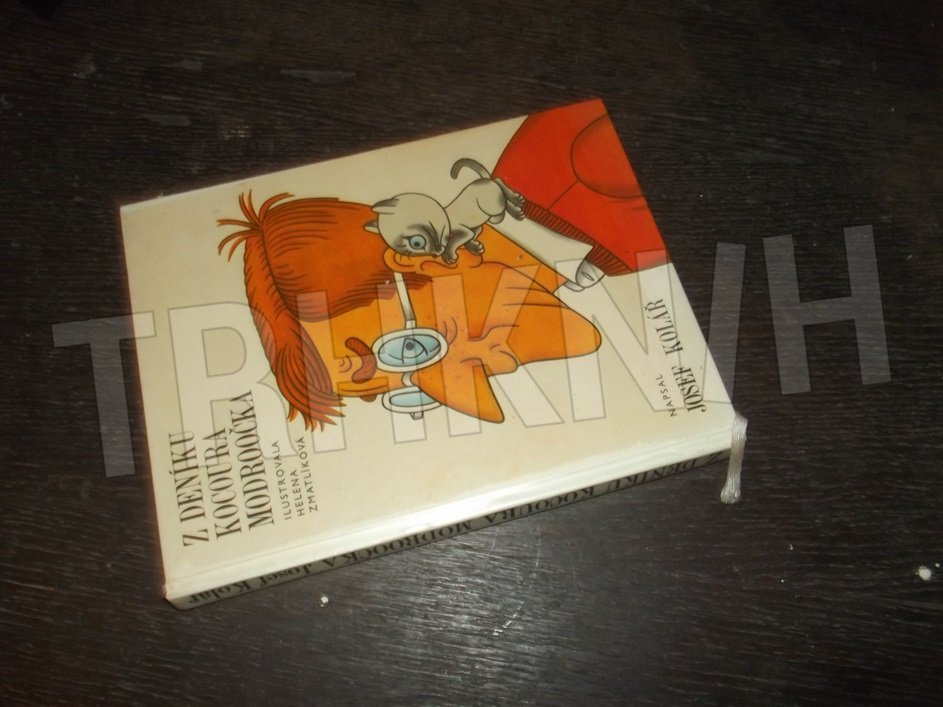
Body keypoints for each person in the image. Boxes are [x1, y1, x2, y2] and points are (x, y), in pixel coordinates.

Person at [219, 192, 601, 428]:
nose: (451, 384)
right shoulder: (571, 275)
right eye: (405, 386)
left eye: (409, 347)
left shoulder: (571, 196)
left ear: (419, 260)